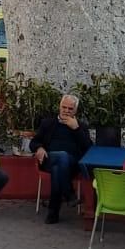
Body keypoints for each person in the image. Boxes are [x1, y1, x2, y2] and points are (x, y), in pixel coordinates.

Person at [33, 93, 93, 224]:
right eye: (64, 107)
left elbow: (88, 148)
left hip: (71, 165)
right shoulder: (48, 123)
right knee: (61, 157)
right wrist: (39, 148)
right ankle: (69, 194)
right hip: (49, 159)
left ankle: (53, 212)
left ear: (75, 110)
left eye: (70, 109)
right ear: (59, 107)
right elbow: (34, 142)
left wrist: (76, 129)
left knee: (58, 168)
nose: (66, 111)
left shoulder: (81, 126)